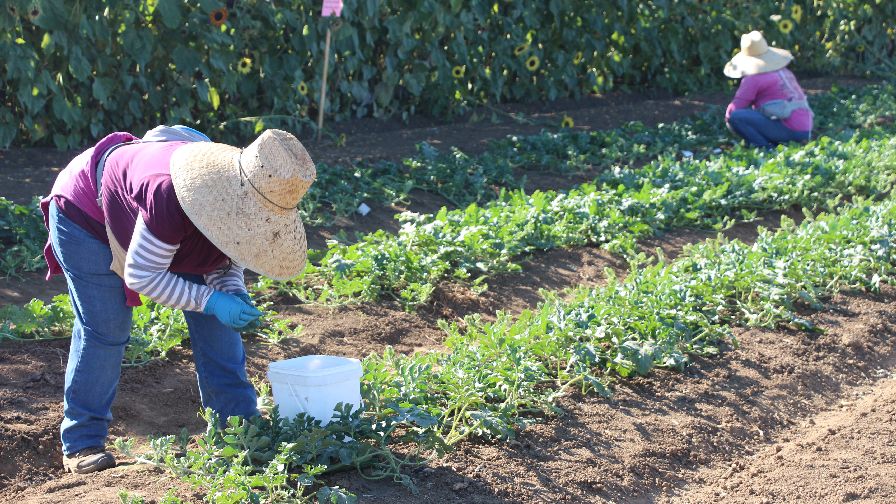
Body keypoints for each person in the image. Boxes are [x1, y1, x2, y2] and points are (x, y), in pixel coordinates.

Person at [39, 126, 316, 474]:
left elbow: (224, 261)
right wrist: (212, 301)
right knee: (106, 329)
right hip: (88, 214)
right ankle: (82, 441)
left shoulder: (252, 205)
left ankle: (239, 428)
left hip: (160, 226)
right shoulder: (172, 195)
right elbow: (143, 275)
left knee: (216, 323)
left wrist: (231, 293)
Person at [723, 30, 814, 148]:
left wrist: (731, 123)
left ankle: (765, 148)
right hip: (806, 128)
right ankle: (776, 142)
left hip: (789, 128)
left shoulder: (753, 79)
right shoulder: (785, 72)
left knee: (737, 117)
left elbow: (734, 110)